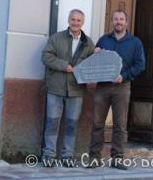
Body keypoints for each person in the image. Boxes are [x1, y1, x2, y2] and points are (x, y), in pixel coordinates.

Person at [88, 10, 145, 170]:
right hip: (103, 87)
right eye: (115, 19)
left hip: (122, 86)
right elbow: (92, 63)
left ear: (126, 22)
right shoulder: (103, 40)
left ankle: (117, 159)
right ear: (112, 22)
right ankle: (94, 158)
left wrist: (124, 76)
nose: (118, 22)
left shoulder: (135, 42)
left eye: (121, 19)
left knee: (120, 125)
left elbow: (140, 65)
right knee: (97, 123)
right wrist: (94, 54)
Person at [41, 9, 95, 167]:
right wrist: (64, 66)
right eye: (73, 19)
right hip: (56, 88)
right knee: (52, 123)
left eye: (79, 20)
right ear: (68, 20)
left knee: (72, 124)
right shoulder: (56, 38)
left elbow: (93, 63)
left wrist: (98, 55)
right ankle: (49, 155)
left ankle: (67, 156)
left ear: (82, 22)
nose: (75, 23)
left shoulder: (88, 43)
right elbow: (46, 57)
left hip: (76, 90)